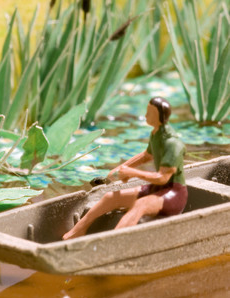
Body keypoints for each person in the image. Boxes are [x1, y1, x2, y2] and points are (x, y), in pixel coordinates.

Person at [62, 97, 187, 240]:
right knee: (110, 197)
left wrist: (131, 172)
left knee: (140, 204)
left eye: (150, 113)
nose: (146, 116)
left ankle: (114, 241)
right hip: (158, 189)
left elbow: (162, 178)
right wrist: (121, 168)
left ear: (161, 116)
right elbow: (146, 156)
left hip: (174, 193)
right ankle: (76, 232)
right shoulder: (156, 134)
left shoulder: (172, 144)